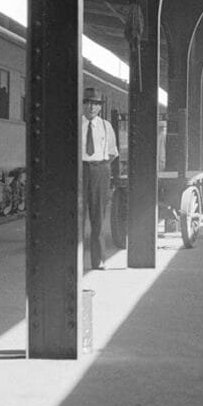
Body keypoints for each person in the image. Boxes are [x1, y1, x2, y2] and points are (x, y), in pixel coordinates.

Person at [81, 88, 118, 270]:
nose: (91, 107)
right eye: (88, 103)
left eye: (95, 104)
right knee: (77, 216)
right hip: (80, 171)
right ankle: (75, 261)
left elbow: (112, 152)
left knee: (98, 217)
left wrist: (99, 166)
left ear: (100, 107)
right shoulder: (76, 124)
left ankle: (99, 260)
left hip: (100, 170)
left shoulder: (106, 126)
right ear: (83, 105)